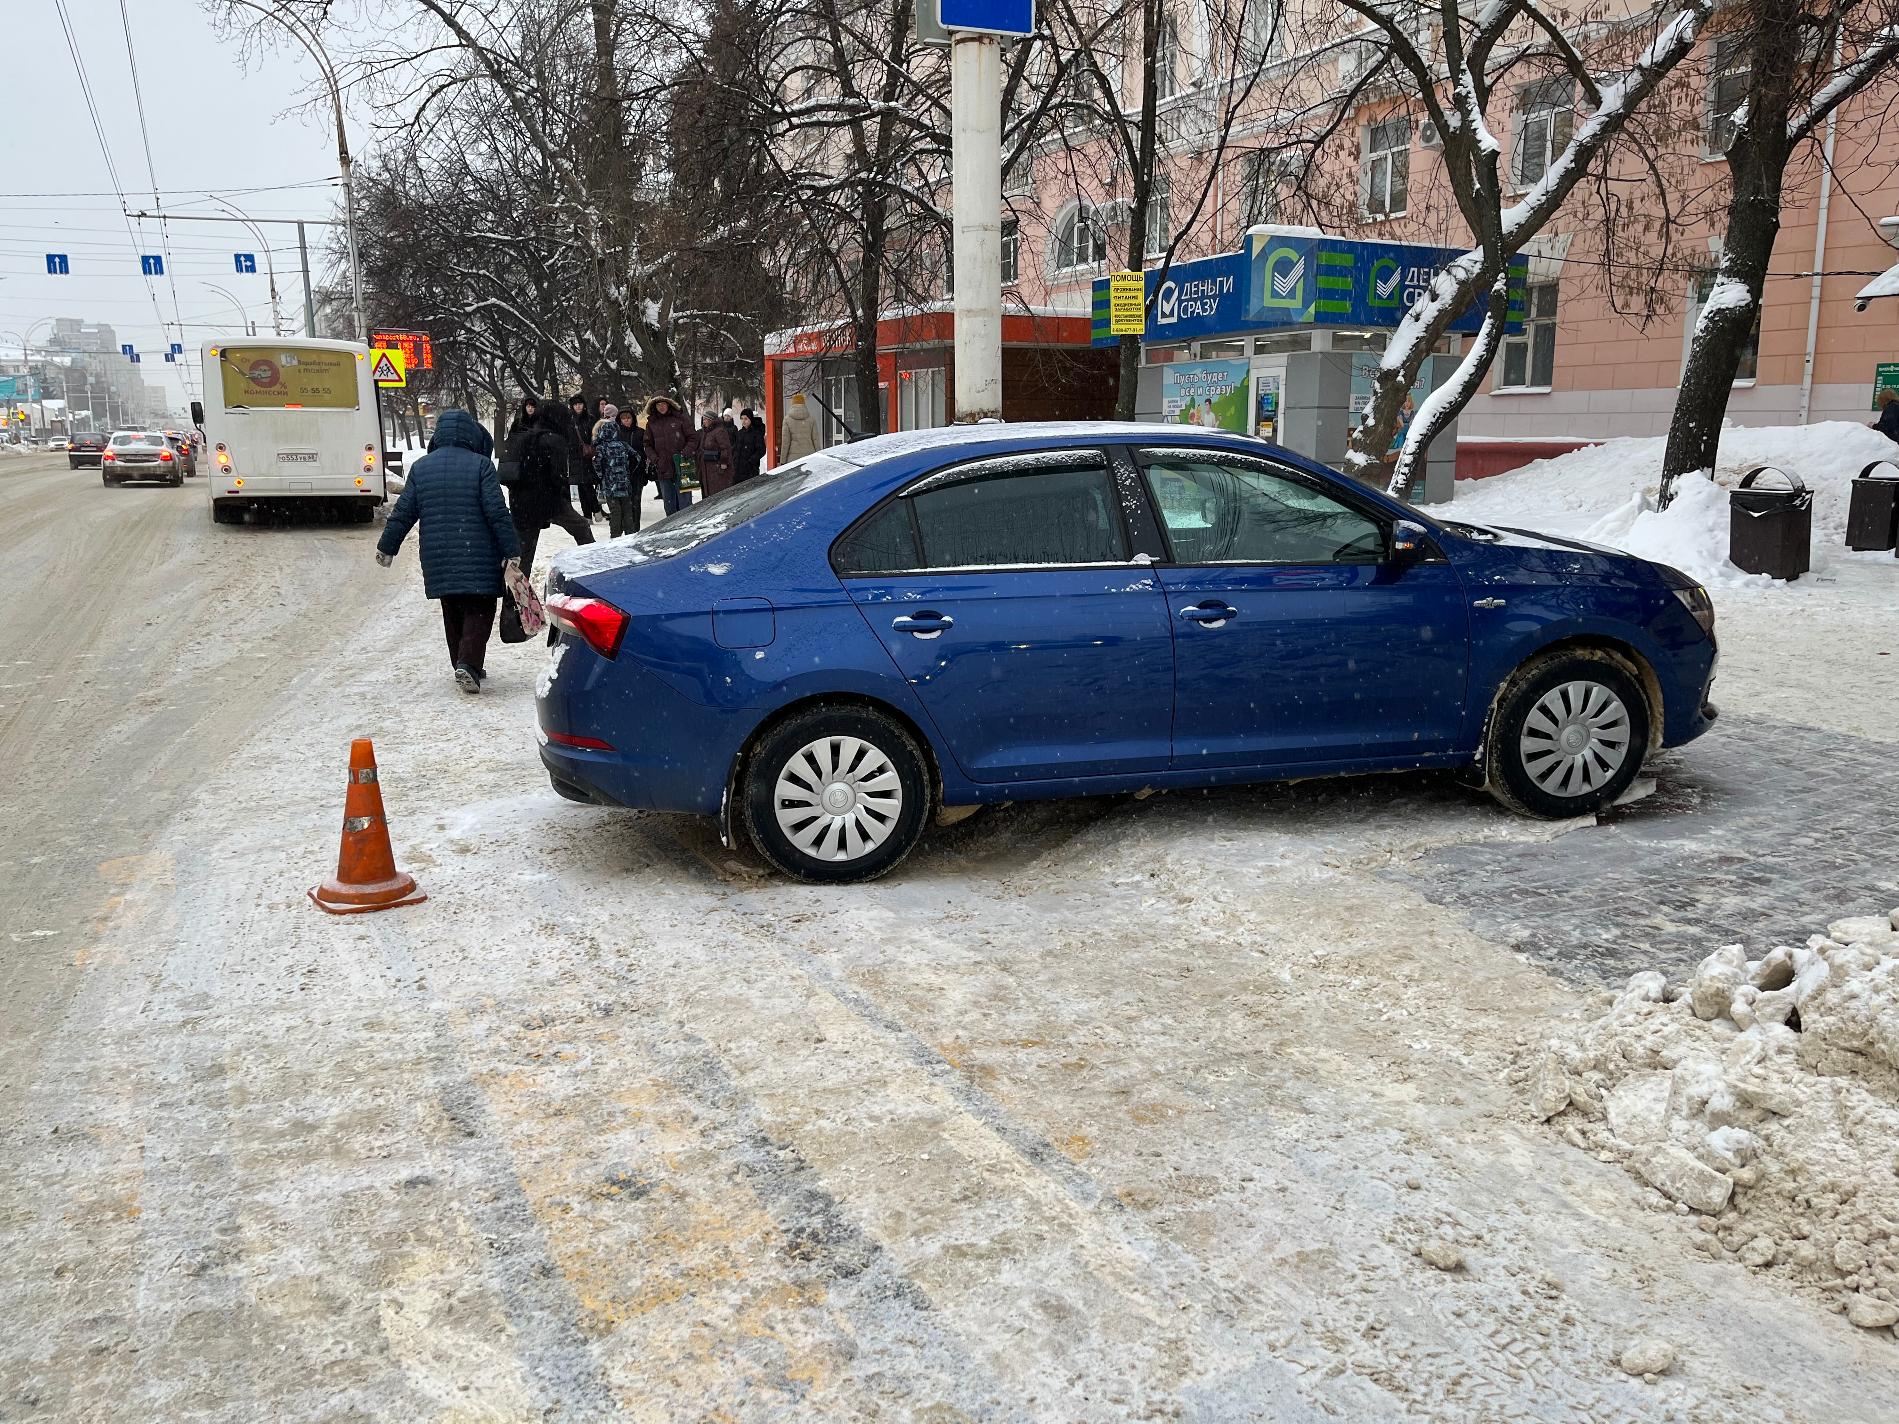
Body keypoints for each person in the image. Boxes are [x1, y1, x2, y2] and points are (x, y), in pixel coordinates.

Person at [375, 408, 521, 695]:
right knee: (480, 607)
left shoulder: (421, 467)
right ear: (470, 435)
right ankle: (468, 663)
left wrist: (387, 546)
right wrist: (511, 549)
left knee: (452, 606)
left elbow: (403, 512)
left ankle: (463, 662)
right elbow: (497, 513)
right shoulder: (480, 465)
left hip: (438, 555)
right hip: (477, 552)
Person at [508, 399, 595, 577]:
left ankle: (514, 601)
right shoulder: (556, 440)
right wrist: (562, 504)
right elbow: (559, 478)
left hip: (521, 503)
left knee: (524, 556)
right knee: (581, 527)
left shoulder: (525, 436)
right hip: (548, 500)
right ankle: (595, 568)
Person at [594, 404, 645, 538]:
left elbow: (597, 463)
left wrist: (601, 475)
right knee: (628, 511)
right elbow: (638, 457)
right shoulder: (623, 444)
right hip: (625, 484)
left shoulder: (602, 447)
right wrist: (627, 470)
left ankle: (615, 536)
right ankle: (630, 535)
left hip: (610, 486)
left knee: (615, 512)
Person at [643, 395, 698, 515]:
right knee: (670, 507)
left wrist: (685, 453)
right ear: (654, 407)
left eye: (663, 404)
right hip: (663, 468)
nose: (661, 407)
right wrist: (656, 459)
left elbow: (693, 438)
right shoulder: (651, 423)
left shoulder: (681, 418)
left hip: (683, 466)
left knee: (686, 506)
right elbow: (647, 445)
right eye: (658, 405)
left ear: (669, 404)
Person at [569, 393, 602, 521]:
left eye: (580, 404)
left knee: (587, 484)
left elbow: (595, 436)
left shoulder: (590, 419)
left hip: (588, 455)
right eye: (575, 404)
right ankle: (588, 515)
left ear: (584, 405)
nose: (578, 406)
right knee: (581, 486)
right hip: (575, 457)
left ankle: (594, 509)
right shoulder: (569, 420)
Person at [697, 411, 736, 498]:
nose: (704, 421)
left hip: (717, 467)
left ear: (711, 420)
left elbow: (725, 448)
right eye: (703, 419)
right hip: (706, 467)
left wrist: (724, 462)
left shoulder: (719, 431)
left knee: (717, 492)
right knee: (707, 492)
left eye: (706, 419)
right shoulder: (705, 432)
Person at [779, 391, 820, 464]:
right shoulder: (811, 419)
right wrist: (819, 457)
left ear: (793, 403)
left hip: (793, 459)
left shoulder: (787, 419)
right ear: (804, 404)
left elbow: (785, 443)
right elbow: (816, 440)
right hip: (809, 457)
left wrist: (782, 461)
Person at [733, 408, 766, 484]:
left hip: (750, 470)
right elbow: (735, 448)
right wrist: (734, 459)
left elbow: (761, 450)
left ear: (750, 419)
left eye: (746, 419)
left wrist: (751, 461)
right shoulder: (739, 433)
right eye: (741, 418)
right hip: (737, 470)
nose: (743, 421)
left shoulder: (756, 433)